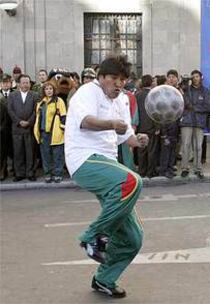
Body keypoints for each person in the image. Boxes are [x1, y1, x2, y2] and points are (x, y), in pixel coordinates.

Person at [65, 55, 149, 298]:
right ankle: (92, 236)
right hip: (84, 159)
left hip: (108, 166)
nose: (118, 84)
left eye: (122, 80)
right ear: (101, 77)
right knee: (133, 181)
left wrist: (138, 140)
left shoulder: (121, 100)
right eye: (113, 78)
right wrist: (112, 124)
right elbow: (86, 121)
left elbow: (126, 137)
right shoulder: (87, 92)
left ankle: (104, 279)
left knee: (133, 238)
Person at [180, 70, 210, 179]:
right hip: (187, 121)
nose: (195, 78)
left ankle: (198, 168)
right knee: (185, 145)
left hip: (199, 122)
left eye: (197, 76)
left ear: (201, 77)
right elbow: (184, 103)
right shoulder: (186, 90)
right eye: (193, 77)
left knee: (198, 147)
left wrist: (193, 108)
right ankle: (184, 168)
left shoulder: (206, 91)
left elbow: (207, 107)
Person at [7, 74, 39, 181]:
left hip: (30, 128)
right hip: (17, 128)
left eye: (27, 82)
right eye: (23, 82)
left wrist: (29, 122)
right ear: (19, 84)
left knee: (30, 152)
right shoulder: (12, 95)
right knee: (18, 152)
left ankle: (30, 173)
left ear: (30, 84)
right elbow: (10, 110)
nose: (25, 85)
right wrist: (19, 121)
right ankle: (19, 174)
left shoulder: (35, 95)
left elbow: (36, 111)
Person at [33, 82, 66, 183]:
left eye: (50, 88)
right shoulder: (41, 103)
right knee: (45, 155)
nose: (49, 90)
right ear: (44, 91)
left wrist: (62, 129)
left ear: (54, 90)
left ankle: (58, 173)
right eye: (46, 89)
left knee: (57, 154)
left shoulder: (58, 101)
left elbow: (64, 117)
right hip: (44, 133)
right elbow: (38, 118)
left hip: (56, 132)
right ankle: (48, 173)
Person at [136, 74, 160, 178]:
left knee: (141, 151)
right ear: (151, 83)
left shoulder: (137, 95)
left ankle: (141, 172)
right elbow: (156, 112)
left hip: (140, 127)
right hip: (151, 127)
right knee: (151, 151)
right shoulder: (154, 95)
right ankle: (150, 172)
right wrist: (157, 127)